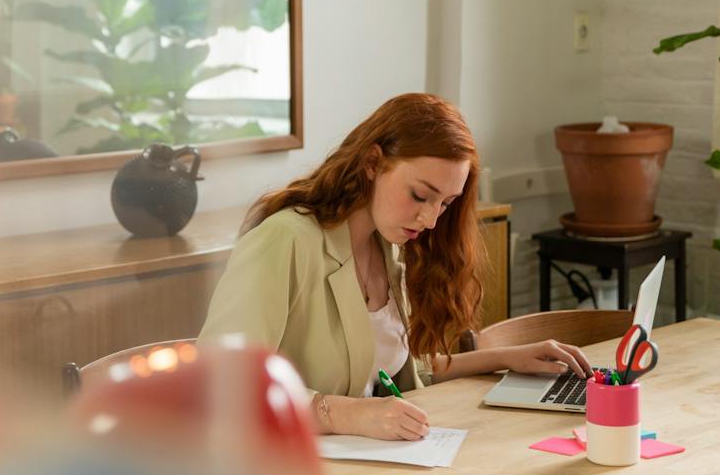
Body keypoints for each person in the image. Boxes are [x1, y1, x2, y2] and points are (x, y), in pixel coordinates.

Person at [198, 93, 593, 441]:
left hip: (364, 467)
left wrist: (508, 357)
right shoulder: (285, 240)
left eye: (445, 204)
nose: (431, 219)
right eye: (420, 195)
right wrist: (349, 415)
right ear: (373, 162)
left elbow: (405, 369)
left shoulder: (387, 246)